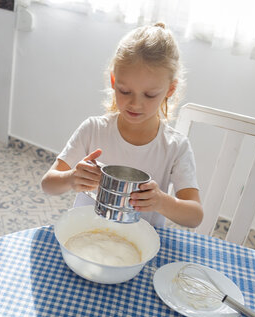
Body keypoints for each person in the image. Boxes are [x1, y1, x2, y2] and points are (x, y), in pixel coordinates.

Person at [41, 23, 203, 228]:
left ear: (170, 90)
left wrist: (162, 202)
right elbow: (48, 184)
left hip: (139, 247)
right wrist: (71, 179)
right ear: (113, 81)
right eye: (125, 91)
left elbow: (195, 216)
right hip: (86, 236)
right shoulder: (93, 130)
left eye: (150, 95)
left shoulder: (175, 147)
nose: (135, 104)